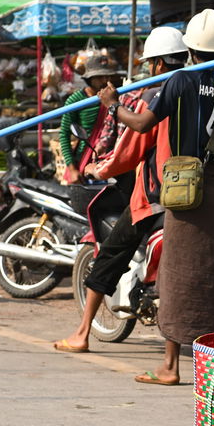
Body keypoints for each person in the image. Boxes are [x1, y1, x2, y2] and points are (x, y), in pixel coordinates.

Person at [101, 10, 214, 386]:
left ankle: (171, 365)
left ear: (190, 50)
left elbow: (140, 124)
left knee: (177, 275)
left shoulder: (180, 82)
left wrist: (111, 103)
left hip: (186, 188)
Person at [55, 27, 186, 354]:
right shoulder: (205, 89)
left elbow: (130, 147)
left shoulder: (153, 97)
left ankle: (83, 332)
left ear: (156, 65)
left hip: (155, 193)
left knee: (113, 252)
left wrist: (96, 168)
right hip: (197, 191)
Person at [58, 50, 122, 185]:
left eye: (107, 76)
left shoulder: (116, 97)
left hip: (111, 159)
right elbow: (64, 135)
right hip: (86, 159)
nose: (105, 80)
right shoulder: (76, 100)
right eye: (99, 77)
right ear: (89, 78)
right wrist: (72, 169)